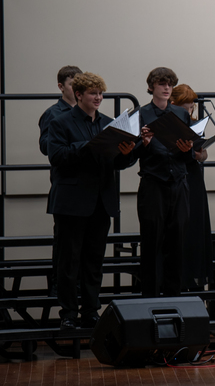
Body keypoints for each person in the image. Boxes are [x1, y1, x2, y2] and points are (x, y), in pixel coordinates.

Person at [47, 72, 136, 329]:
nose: (98, 98)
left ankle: (90, 312)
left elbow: (118, 162)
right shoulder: (61, 122)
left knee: (94, 261)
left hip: (101, 201)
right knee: (69, 260)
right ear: (79, 95)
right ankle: (67, 314)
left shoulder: (109, 123)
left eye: (100, 94)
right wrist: (88, 145)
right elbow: (57, 157)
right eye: (93, 94)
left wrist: (129, 153)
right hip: (72, 202)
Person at [135, 67, 195, 298]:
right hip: (153, 184)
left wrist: (188, 150)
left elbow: (186, 156)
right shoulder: (142, 114)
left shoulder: (180, 114)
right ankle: (149, 297)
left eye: (170, 83)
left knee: (177, 243)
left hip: (178, 183)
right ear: (151, 87)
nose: (167, 87)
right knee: (151, 244)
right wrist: (144, 143)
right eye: (162, 83)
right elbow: (129, 155)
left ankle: (173, 297)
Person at [38, 65, 82, 296]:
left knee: (82, 245)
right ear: (61, 87)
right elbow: (47, 147)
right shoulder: (54, 114)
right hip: (66, 183)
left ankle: (78, 288)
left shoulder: (87, 113)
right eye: (73, 84)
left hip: (86, 184)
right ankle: (60, 285)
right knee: (66, 242)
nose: (77, 89)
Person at [170, 84, 215, 292]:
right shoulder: (168, 123)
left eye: (192, 108)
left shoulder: (196, 124)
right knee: (180, 229)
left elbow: (202, 153)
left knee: (196, 225)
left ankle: (194, 278)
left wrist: (201, 155)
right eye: (186, 108)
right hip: (177, 178)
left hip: (194, 179)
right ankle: (177, 279)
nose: (190, 112)